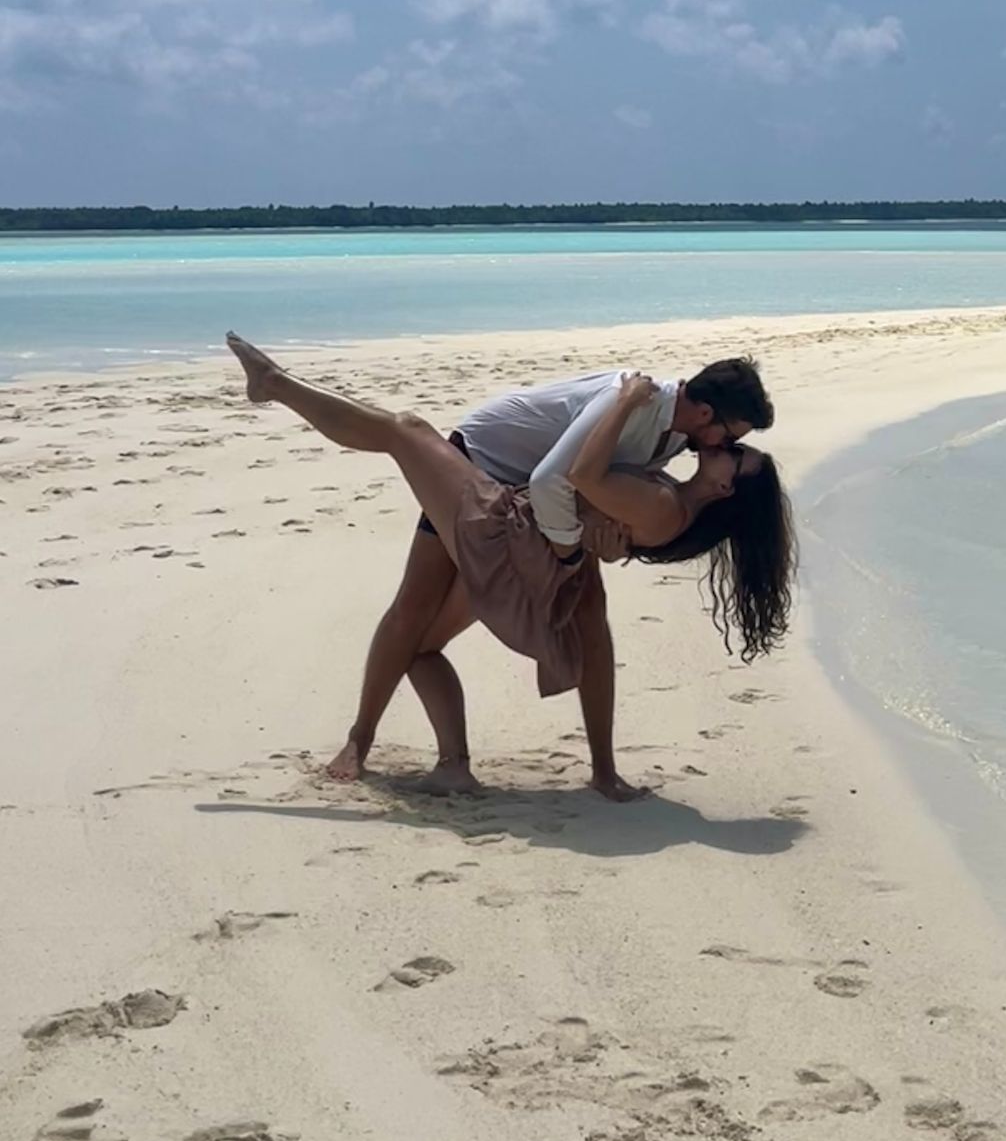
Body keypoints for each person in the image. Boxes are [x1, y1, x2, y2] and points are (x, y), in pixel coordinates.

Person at [224, 338, 794, 799]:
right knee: (414, 610)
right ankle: (361, 741)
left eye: (731, 445)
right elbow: (555, 479)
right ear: (702, 410)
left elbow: (610, 499)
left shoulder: (675, 444)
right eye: (727, 433)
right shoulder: (633, 398)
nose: (718, 444)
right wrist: (575, 549)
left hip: (532, 513)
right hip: (481, 465)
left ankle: (600, 770)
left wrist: (600, 547)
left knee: (590, 624)